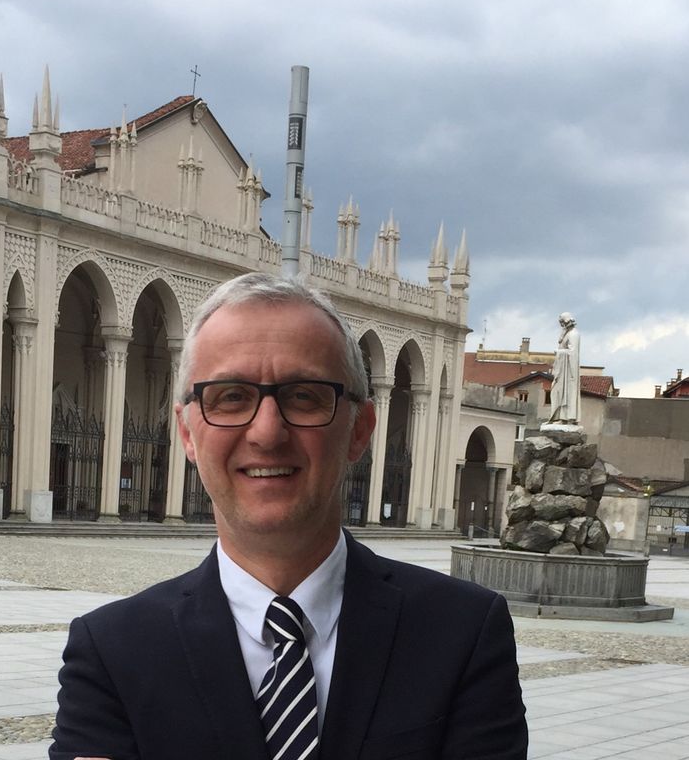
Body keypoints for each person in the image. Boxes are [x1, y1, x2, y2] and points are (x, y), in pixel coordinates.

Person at [50, 272, 528, 760]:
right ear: (188, 433)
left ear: (360, 429)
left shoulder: (461, 633)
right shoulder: (113, 652)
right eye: (231, 396)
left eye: (303, 395)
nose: (267, 432)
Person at [549, 312, 581, 424]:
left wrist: (559, 352)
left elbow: (573, 353)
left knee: (566, 393)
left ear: (567, 321)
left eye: (562, 323)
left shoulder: (573, 334)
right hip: (562, 369)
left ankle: (565, 418)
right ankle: (559, 417)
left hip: (568, 371)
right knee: (557, 392)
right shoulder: (566, 333)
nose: (562, 326)